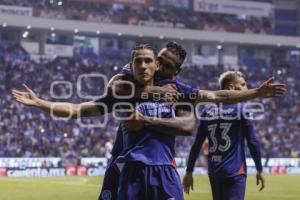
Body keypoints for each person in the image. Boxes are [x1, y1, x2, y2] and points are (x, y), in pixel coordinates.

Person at [183, 71, 266, 200]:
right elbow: (253, 142)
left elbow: (196, 145)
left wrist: (189, 171)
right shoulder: (241, 108)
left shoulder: (207, 111)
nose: (247, 89)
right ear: (231, 88)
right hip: (234, 172)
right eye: (243, 85)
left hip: (214, 171)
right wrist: (259, 170)